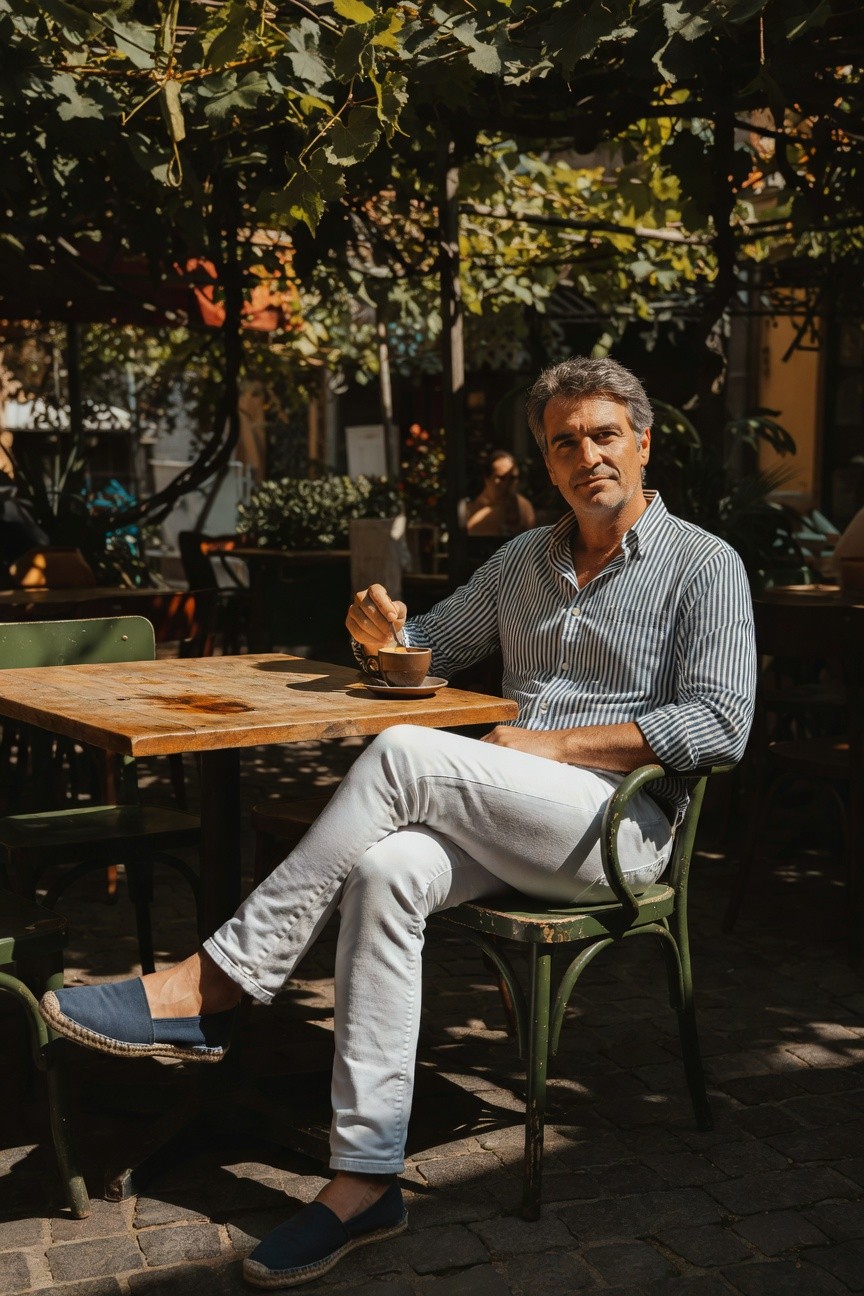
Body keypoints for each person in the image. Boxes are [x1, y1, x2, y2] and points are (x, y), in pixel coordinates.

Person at [39, 356, 756, 1290]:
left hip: (622, 828)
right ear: (547, 461)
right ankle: (365, 1179)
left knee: (406, 754)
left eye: (605, 434)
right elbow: (426, 649)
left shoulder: (705, 564)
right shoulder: (525, 561)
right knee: (384, 874)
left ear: (643, 442)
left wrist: (559, 746)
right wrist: (381, 637)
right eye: (565, 441)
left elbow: (722, 724)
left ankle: (213, 983)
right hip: (519, 817)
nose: (588, 454)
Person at [465, 448, 536, 536]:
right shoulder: (470, 509)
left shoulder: (524, 507)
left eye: (512, 478)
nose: (507, 484)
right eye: (501, 478)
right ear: (487, 479)